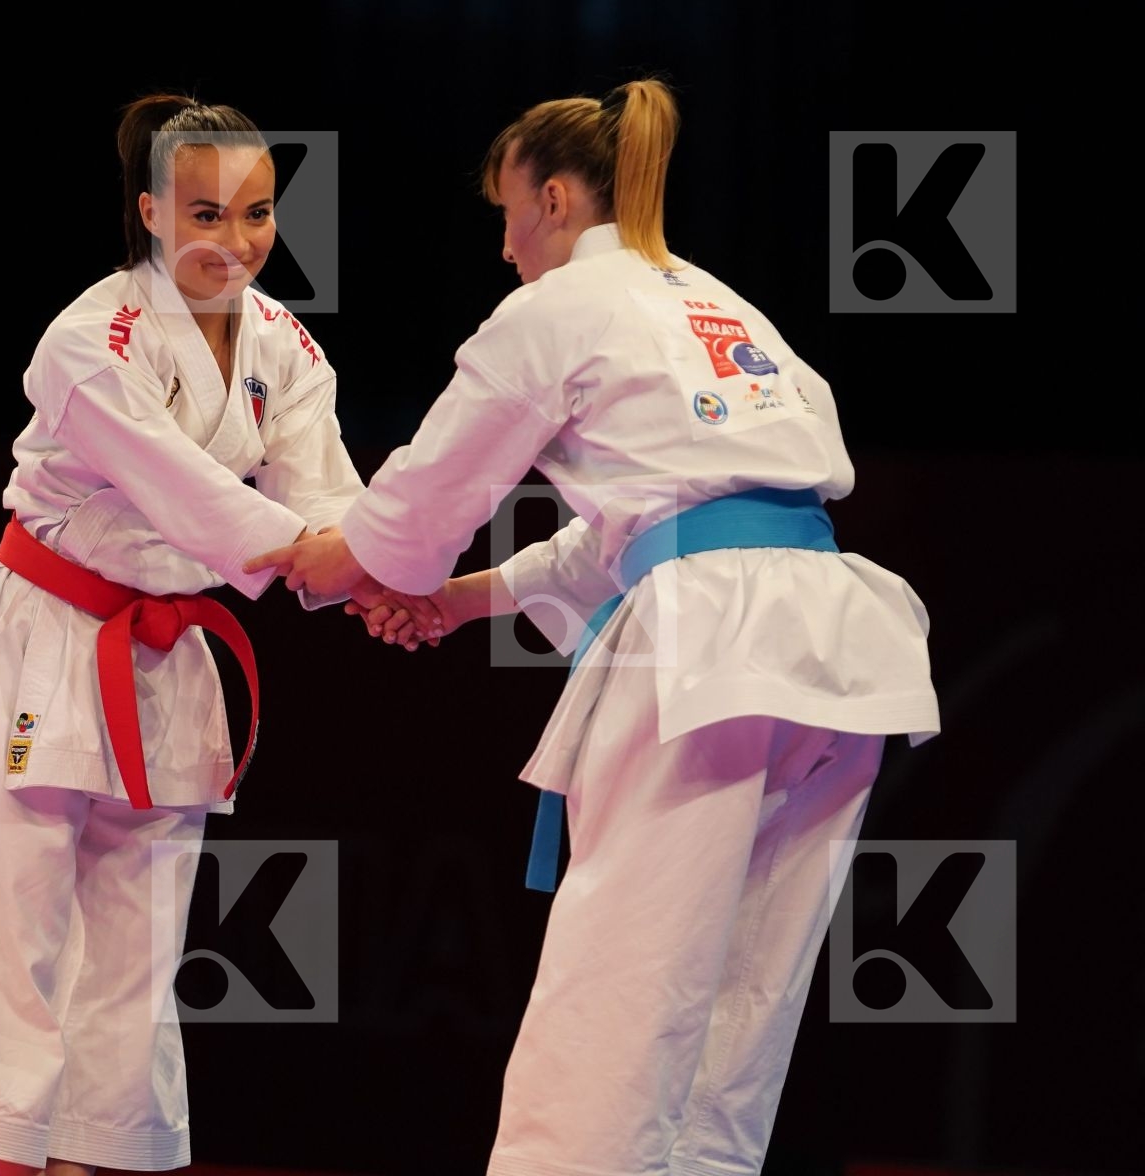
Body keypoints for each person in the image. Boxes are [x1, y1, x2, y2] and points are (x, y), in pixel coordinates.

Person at [248, 79, 940, 1176]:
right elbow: (670, 515)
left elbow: (431, 491)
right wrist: (458, 596)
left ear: (556, 199)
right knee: (737, 996)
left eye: (507, 215)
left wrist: (336, 560)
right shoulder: (720, 305)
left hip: (711, 646)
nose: (506, 247)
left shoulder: (559, 307)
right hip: (833, 648)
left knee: (618, 980)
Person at [0, 94, 414, 1176]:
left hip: (165, 658)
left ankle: (99, 1159)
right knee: (9, 953)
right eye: (207, 212)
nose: (236, 239)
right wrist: (329, 561)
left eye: (258, 212)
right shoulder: (90, 340)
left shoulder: (281, 343)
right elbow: (189, 499)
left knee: (134, 963)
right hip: (40, 639)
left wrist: (383, 575)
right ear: (153, 213)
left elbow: (324, 495)